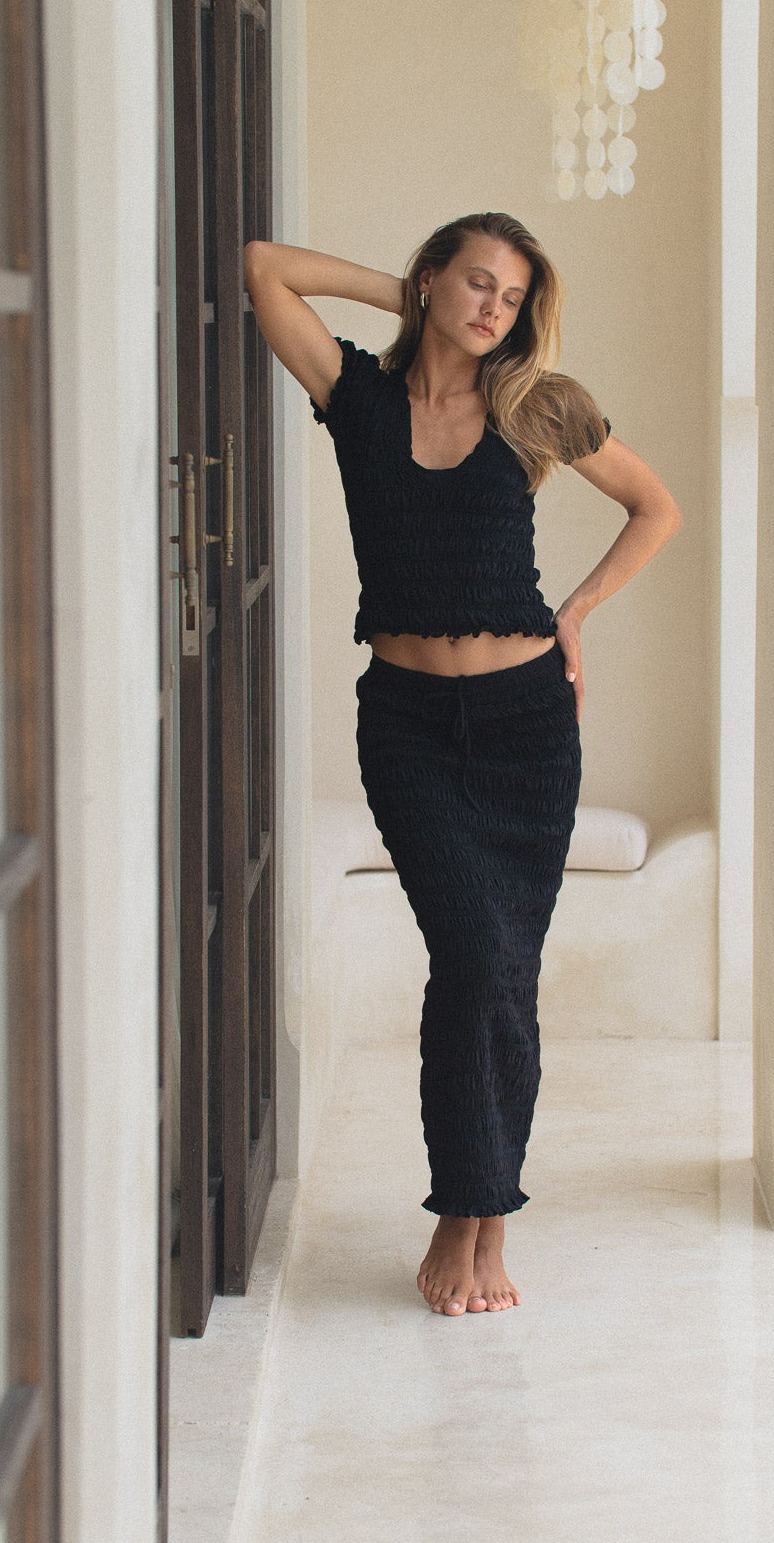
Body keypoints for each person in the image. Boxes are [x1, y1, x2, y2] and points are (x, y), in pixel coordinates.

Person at [244, 211, 682, 1318]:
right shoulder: (358, 397)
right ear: (434, 281)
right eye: (475, 284)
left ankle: (486, 1221)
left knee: (502, 973)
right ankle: (463, 1213)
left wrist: (577, 612)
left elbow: (654, 505)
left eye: (511, 296)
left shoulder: (536, 406)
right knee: (477, 954)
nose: (493, 308)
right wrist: (402, 297)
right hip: (408, 729)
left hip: (528, 723)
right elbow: (265, 271)